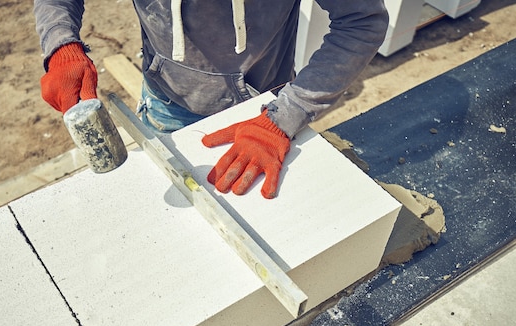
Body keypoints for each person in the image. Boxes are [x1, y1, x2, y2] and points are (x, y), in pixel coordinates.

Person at [34, 0, 389, 198]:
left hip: (266, 111)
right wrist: (61, 44)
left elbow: (361, 21)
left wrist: (285, 115)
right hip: (166, 101)